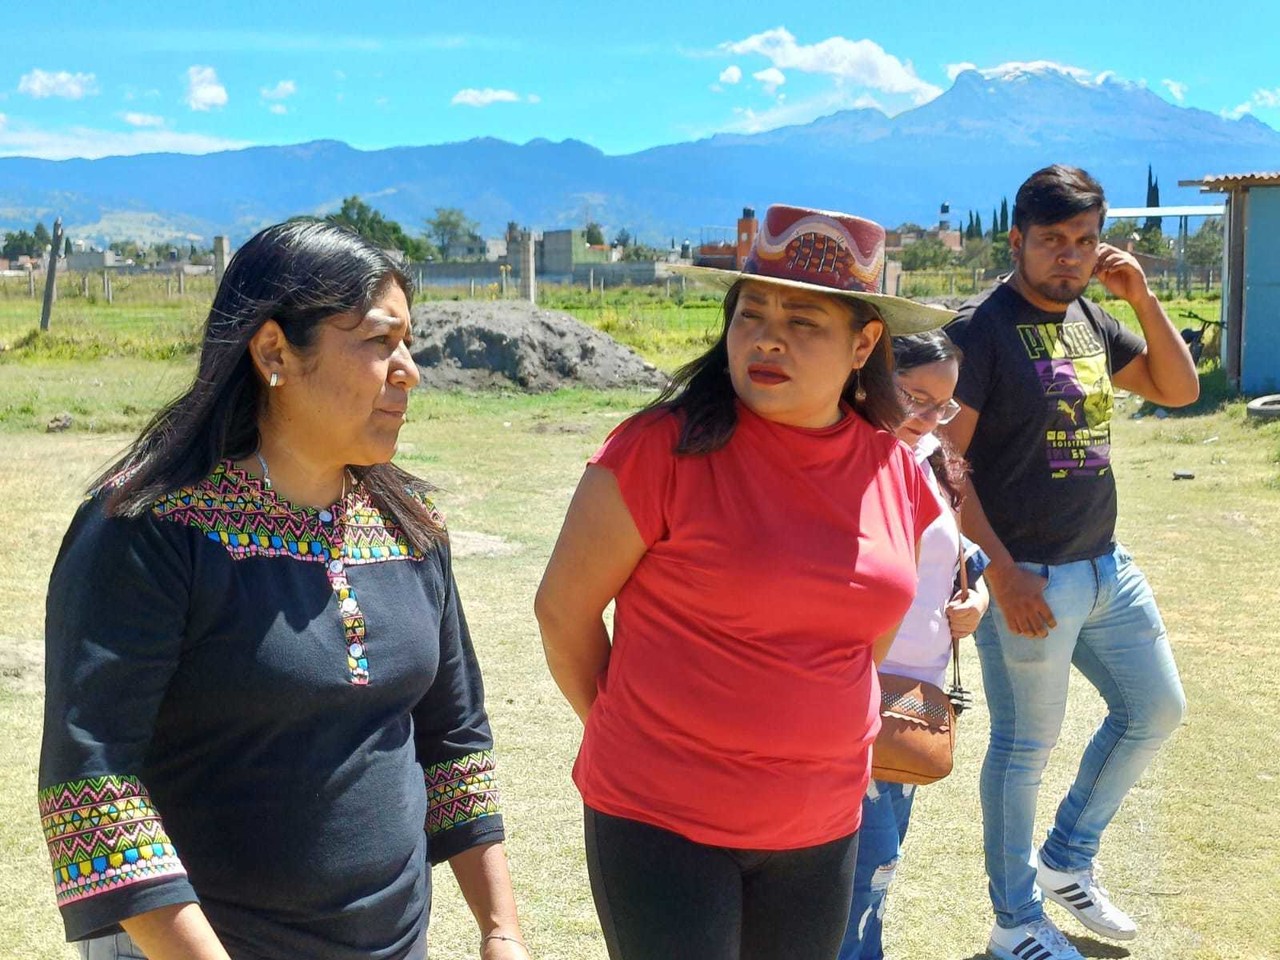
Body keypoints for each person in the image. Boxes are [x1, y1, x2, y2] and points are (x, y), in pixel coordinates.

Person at [38, 221, 527, 960]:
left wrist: (501, 931)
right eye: (378, 341)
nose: (409, 369)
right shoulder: (151, 530)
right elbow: (92, 789)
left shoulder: (409, 525)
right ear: (273, 351)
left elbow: (453, 740)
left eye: (409, 342)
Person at [535, 204, 955, 960]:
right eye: (751, 312)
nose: (767, 336)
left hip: (823, 823)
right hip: (661, 822)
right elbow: (563, 613)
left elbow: (865, 639)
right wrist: (631, 731)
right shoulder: (658, 451)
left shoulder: (896, 473)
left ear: (864, 344)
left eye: (803, 321)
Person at [942, 165, 1197, 960]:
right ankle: (1013, 920)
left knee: (1155, 710)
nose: (1070, 256)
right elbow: (946, 465)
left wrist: (1140, 299)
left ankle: (1066, 861)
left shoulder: (1090, 313)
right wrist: (1002, 571)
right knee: (1024, 749)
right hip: (1029, 577)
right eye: (1052, 241)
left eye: (1085, 241)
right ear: (1017, 240)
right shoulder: (978, 329)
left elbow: (1177, 388)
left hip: (1104, 567)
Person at [837, 331, 989, 960]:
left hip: (910, 709)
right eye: (912, 397)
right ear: (869, 376)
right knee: (859, 872)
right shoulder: (848, 458)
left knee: (877, 871)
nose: (926, 418)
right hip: (852, 705)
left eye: (941, 406)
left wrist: (974, 603)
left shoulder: (926, 457)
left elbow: (963, 558)